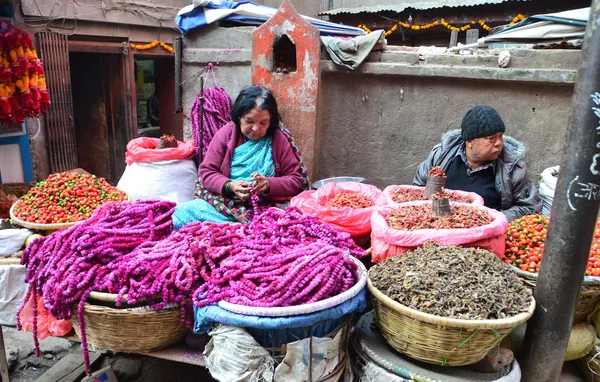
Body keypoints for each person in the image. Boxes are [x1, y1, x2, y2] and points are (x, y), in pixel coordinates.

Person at [173, 86, 309, 228]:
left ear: (271, 120)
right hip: (226, 207)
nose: (256, 128)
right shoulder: (225, 135)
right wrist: (229, 185)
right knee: (182, 213)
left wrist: (269, 184)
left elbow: (295, 180)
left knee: (293, 221)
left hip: (267, 209)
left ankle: (242, 230)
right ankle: (241, 229)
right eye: (249, 121)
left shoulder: (279, 139)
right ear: (239, 117)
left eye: (263, 122)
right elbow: (207, 173)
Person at [413, 105, 542, 222]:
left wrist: (491, 219)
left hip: (486, 233)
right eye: (491, 139)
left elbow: (530, 208)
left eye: (500, 136)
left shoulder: (512, 167)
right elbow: (417, 190)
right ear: (469, 142)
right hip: (438, 226)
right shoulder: (441, 156)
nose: (499, 143)